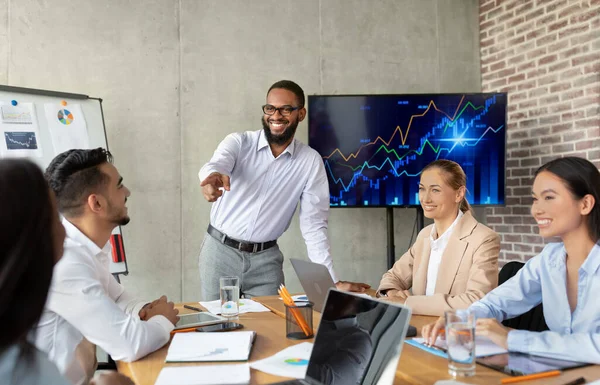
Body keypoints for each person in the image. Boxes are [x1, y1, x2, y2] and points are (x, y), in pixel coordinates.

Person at [198, 80, 369, 300]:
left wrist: (330, 282)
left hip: (266, 261)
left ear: (301, 113)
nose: (276, 115)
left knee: (270, 329)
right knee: (217, 327)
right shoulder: (239, 143)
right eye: (270, 108)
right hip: (220, 253)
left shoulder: (310, 161)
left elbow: (314, 224)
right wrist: (210, 178)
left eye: (286, 109)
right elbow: (216, 165)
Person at [422, 156, 600, 364]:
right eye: (535, 199)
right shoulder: (549, 260)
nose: (536, 209)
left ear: (585, 204)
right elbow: (495, 303)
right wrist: (459, 320)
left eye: (549, 197)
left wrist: (511, 338)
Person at [35, 148, 179, 385]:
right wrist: (162, 319)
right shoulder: (66, 262)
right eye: (119, 185)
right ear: (97, 203)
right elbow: (128, 345)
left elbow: (118, 297)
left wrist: (145, 309)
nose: (127, 192)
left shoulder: (83, 249)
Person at [0, 158, 133, 385]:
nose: (65, 226)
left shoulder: (16, 335)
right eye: (54, 215)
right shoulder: (13, 364)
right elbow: (129, 344)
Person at [377, 159, 500, 316]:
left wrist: (408, 303)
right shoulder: (425, 235)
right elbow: (393, 276)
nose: (426, 199)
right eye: (422, 189)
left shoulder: (483, 238)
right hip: (421, 328)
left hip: (458, 333)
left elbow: (476, 301)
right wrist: (393, 293)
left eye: (435, 190)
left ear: (459, 194)